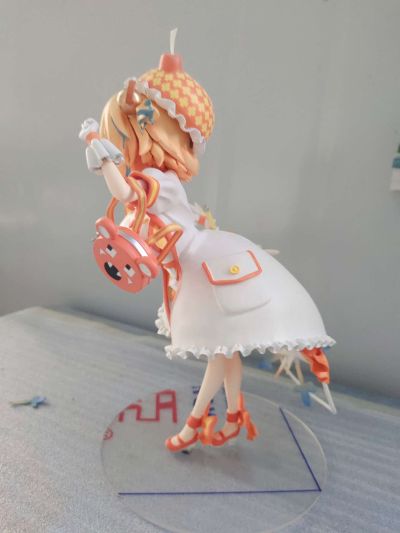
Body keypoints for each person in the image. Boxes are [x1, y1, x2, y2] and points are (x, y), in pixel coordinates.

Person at [79, 38, 334, 453]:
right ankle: (230, 416)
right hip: (194, 262)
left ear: (148, 131)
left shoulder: (156, 180)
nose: (124, 142)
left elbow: (123, 192)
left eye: (126, 133)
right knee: (225, 352)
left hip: (200, 266)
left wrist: (100, 152)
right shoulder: (161, 179)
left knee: (221, 350)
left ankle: (196, 422)